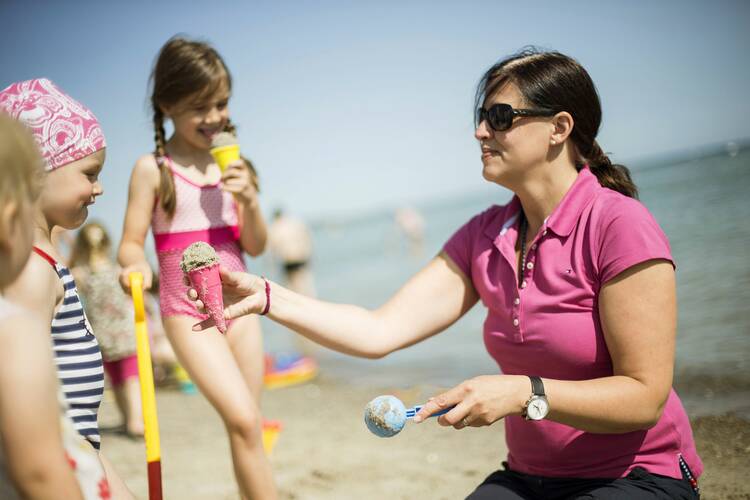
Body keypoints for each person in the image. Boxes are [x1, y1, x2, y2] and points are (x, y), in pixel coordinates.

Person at [189, 49, 703, 499]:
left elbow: (643, 396)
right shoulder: (484, 235)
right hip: (530, 479)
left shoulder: (618, 223)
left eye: (501, 116)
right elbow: (379, 331)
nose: (481, 131)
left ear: (559, 128)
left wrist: (525, 392)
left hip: (636, 476)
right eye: (481, 117)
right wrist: (267, 295)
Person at [117, 36, 275, 498]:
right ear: (167, 105)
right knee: (243, 420)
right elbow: (129, 244)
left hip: (243, 307)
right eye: (200, 107)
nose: (215, 117)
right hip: (189, 315)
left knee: (250, 426)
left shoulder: (235, 165)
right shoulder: (154, 168)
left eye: (222, 103)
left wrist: (249, 199)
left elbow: (256, 245)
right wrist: (133, 268)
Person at [1, 78, 133, 498]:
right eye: (89, 174)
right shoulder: (32, 277)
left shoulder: (49, 267)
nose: (99, 188)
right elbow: (29, 432)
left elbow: (73, 428)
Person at [70, 222, 143, 437]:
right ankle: (128, 419)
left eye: (99, 240)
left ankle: (136, 421)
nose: (95, 245)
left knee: (130, 377)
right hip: (100, 334)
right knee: (118, 380)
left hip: (123, 331)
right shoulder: (80, 273)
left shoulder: (116, 269)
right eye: (90, 240)